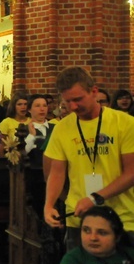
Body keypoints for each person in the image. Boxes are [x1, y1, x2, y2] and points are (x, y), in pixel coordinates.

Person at [44, 67, 134, 251]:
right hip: (80, 219)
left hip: (122, 217)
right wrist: (49, 204)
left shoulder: (125, 123)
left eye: (78, 99)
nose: (73, 107)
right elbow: (57, 171)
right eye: (68, 102)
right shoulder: (62, 128)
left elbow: (131, 173)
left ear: (94, 91)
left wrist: (94, 198)